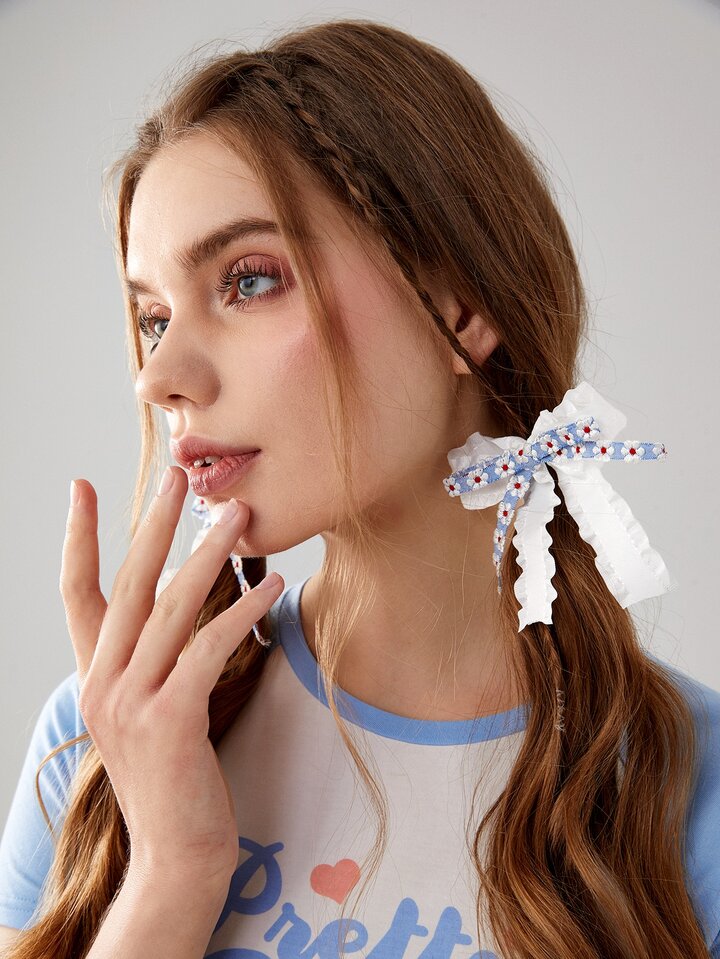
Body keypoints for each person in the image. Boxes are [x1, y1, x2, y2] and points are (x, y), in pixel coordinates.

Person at [0, 18, 718, 959]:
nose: (159, 376)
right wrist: (173, 868)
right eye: (154, 317)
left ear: (461, 305)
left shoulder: (689, 788)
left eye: (249, 280)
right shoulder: (109, 745)